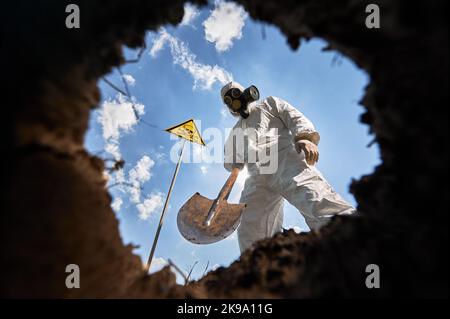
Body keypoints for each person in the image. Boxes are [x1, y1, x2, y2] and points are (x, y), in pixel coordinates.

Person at [222, 81, 355, 253]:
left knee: (315, 199)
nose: (234, 103)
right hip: (255, 177)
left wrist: (305, 137)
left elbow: (293, 116)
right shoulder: (235, 132)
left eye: (235, 94)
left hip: (285, 158)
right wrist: (234, 165)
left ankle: (355, 241)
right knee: (250, 227)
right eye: (228, 101)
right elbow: (232, 160)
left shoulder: (268, 104)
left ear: (244, 92)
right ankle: (263, 270)